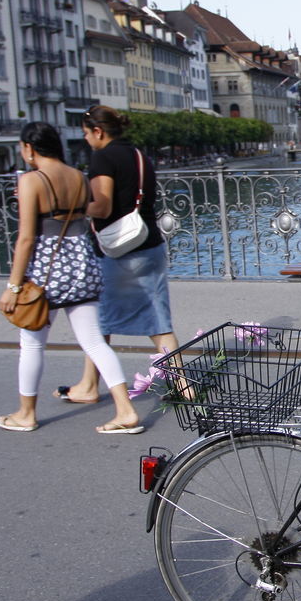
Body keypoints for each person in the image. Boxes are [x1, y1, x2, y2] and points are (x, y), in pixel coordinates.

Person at [0, 122, 142, 434]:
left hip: (47, 270)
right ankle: (125, 410)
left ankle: (26, 413)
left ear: (29, 149)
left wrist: (12, 287)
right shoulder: (77, 175)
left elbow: (25, 239)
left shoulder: (31, 180)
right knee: (93, 341)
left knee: (32, 343)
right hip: (82, 264)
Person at [56, 106, 179, 404]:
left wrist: (69, 209)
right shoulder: (139, 156)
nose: (86, 140)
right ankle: (182, 383)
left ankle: (90, 386)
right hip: (150, 242)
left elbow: (103, 206)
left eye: (86, 134)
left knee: (99, 320)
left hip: (120, 251)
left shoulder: (103, 157)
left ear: (98, 131)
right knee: (156, 317)